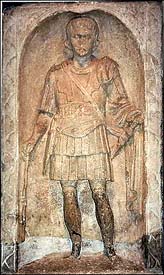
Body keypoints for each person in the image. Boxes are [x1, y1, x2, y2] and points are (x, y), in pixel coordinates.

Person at [23, 16, 143, 259]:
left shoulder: (106, 68)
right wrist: (31, 140)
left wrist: (132, 117)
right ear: (68, 40)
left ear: (95, 39)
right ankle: (75, 246)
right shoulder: (56, 74)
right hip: (63, 137)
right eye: (76, 36)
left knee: (99, 192)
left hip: (94, 136)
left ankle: (109, 247)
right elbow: (46, 113)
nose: (81, 41)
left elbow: (121, 103)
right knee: (69, 193)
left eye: (86, 36)